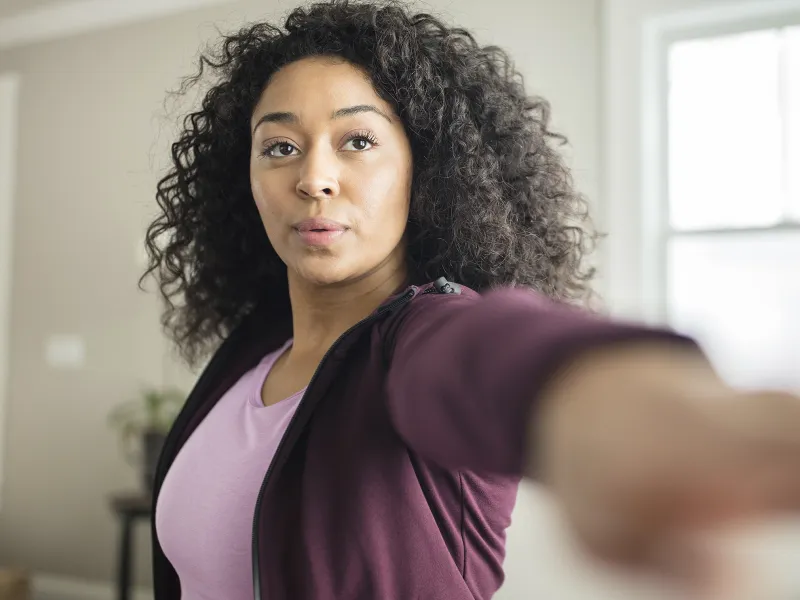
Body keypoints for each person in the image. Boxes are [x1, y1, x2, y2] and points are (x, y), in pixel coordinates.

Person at [142, 1, 800, 599]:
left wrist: (585, 391)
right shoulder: (251, 353)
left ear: (422, 169)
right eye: (280, 147)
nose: (314, 178)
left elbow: (484, 356)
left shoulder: (420, 338)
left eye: (359, 142)